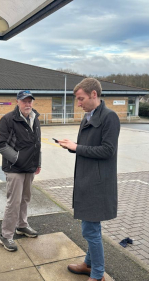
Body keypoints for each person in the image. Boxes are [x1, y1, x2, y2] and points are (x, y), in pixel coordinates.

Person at [58, 78, 120, 281]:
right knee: (91, 228)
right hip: (86, 180)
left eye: (81, 99)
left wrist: (77, 147)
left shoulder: (110, 117)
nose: (79, 103)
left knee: (90, 230)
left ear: (94, 95)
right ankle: (88, 264)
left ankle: (98, 274)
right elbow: (86, 149)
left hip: (98, 183)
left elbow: (108, 151)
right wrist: (71, 146)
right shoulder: (88, 116)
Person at [0, 90, 41, 252]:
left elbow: (37, 143)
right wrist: (18, 159)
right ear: (17, 102)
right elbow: (0, 144)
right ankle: (6, 235)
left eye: (30, 101)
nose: (28, 104)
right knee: (13, 202)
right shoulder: (8, 119)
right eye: (24, 101)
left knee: (26, 198)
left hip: (30, 167)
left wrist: (38, 162)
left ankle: (22, 226)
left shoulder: (35, 118)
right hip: (14, 168)